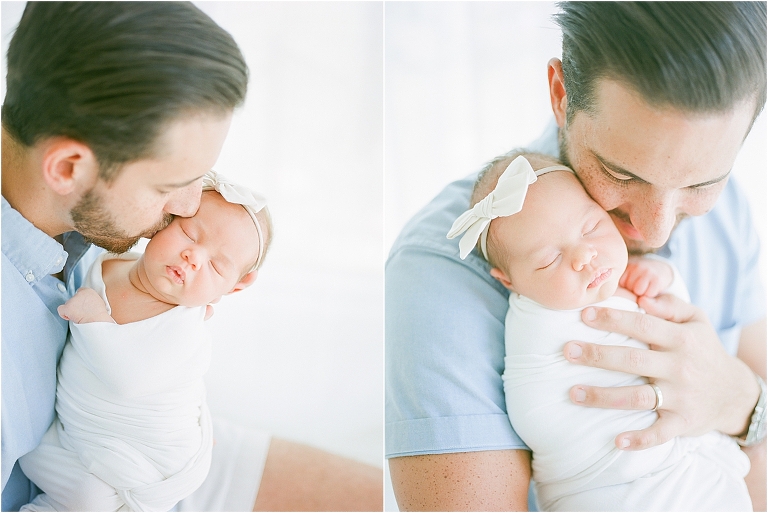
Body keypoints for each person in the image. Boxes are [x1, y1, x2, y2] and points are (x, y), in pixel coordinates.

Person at [2, 2, 381, 511]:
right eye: (170, 186)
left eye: (199, 179)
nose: (185, 209)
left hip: (161, 447)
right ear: (69, 168)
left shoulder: (77, 214)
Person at [386, 2, 766, 510]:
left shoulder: (729, 210)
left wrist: (742, 401)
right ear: (561, 94)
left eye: (702, 184)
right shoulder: (439, 273)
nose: (655, 227)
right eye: (623, 175)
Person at [448, 151, 750, 510]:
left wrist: (664, 278)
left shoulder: (646, 272)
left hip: (688, 466)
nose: (584, 256)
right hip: (601, 487)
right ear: (509, 281)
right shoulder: (534, 320)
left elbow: (683, 329)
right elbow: (542, 412)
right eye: (549, 259)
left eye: (591, 227)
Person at [18, 174, 271, 512]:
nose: (193, 257)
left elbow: (130, 381)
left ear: (234, 289)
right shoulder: (111, 261)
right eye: (189, 234)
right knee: (39, 461)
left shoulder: (182, 325)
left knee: (87, 502)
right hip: (86, 433)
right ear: (162, 223)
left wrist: (95, 322)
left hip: (146, 458)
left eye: (216, 266)